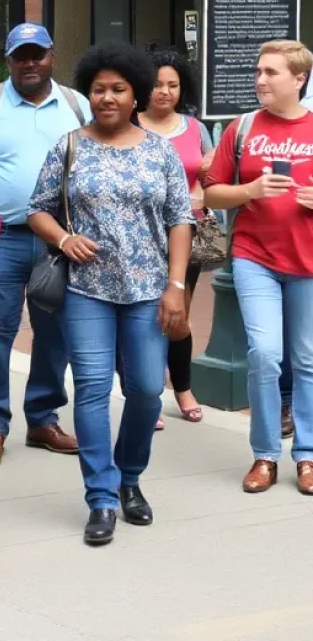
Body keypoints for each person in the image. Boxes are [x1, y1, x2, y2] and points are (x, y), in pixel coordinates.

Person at [27, 43, 193, 546]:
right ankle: (101, 497)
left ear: (136, 94)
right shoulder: (69, 145)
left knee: (146, 389)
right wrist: (62, 237)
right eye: (98, 89)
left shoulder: (160, 151)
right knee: (94, 389)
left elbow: (179, 219)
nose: (107, 97)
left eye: (118, 89)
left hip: (147, 290)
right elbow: (37, 208)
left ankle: (130, 478)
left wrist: (177, 286)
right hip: (86, 290)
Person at [0, 23, 85, 467]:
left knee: (55, 333)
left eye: (38, 54)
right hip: (0, 238)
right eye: (21, 56)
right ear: (8, 60)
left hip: (59, 241)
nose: (30, 63)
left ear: (52, 56)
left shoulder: (75, 105)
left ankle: (43, 419)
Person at [204, 40, 313, 495]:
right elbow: (211, 193)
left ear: (299, 79)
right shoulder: (243, 128)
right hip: (255, 259)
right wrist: (249, 191)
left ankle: (306, 457)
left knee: (307, 360)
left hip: (307, 263)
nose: (260, 80)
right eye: (258, 71)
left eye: (271, 72)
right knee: (265, 355)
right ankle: (265, 455)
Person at [138, 51, 214, 425]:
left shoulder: (195, 128)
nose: (164, 92)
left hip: (186, 234)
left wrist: (205, 183)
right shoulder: (129, 123)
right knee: (144, 316)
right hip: (139, 236)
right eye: (156, 84)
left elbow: (209, 175)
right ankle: (146, 392)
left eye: (172, 85)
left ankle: (182, 387)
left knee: (178, 314)